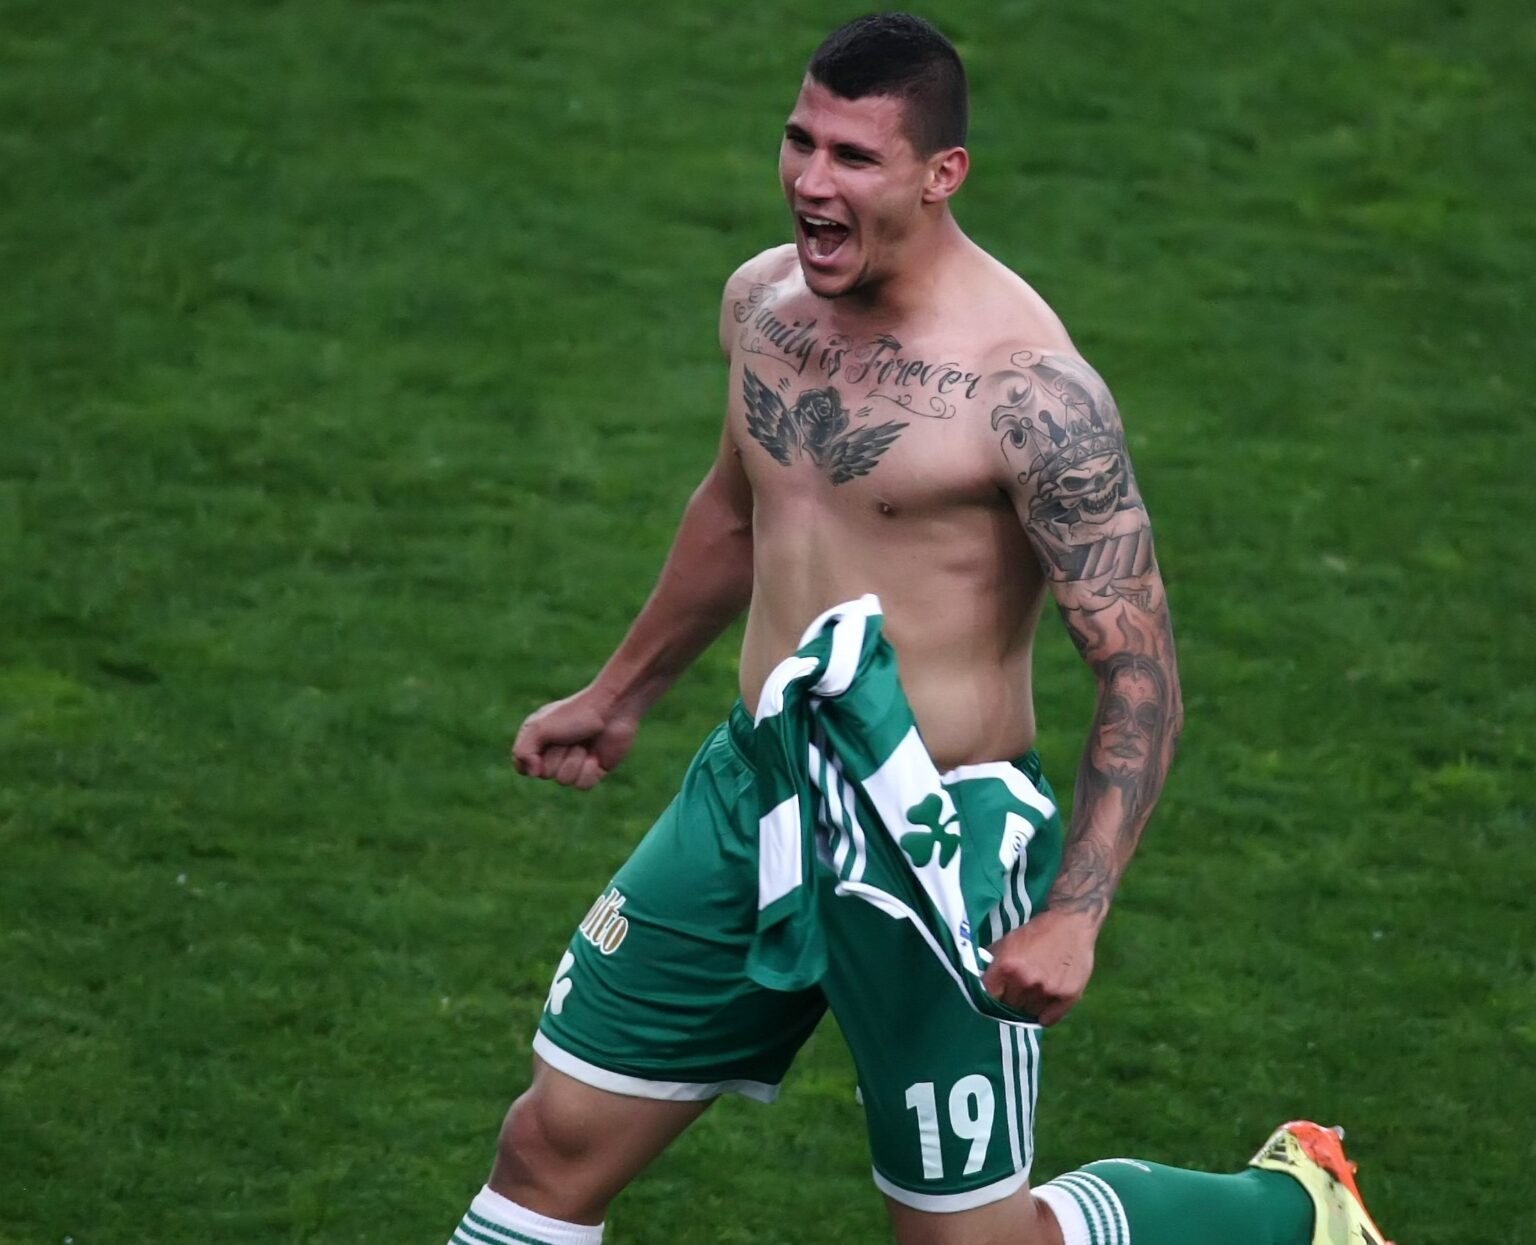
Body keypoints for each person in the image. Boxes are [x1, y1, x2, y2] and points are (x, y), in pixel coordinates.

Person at [446, 14, 1394, 1245]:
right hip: (757, 788)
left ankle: (1292, 1207)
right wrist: (620, 691)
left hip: (936, 840)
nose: (810, 182)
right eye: (800, 141)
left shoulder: (1031, 394)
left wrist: (1077, 910)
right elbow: (737, 510)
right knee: (547, 1147)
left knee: (967, 1243)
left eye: (854, 157)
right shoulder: (762, 304)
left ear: (943, 174)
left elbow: (1138, 670)